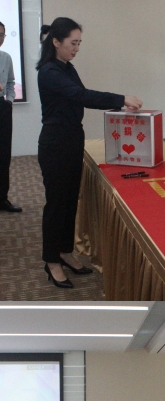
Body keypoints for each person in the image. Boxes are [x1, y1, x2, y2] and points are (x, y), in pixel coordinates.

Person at [37, 17, 141, 289]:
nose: (77, 48)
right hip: (56, 143)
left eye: (79, 43)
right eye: (73, 43)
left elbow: (82, 95)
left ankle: (64, 251)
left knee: (71, 199)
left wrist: (119, 105)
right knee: (56, 203)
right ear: (56, 42)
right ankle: (51, 260)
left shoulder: (66, 68)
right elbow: (81, 96)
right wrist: (121, 99)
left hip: (73, 138)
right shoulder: (49, 72)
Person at [0, 21, 21, 213]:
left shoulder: (6, 57)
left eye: (2, 34)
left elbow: (11, 82)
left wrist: (10, 101)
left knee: (4, 154)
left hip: (2, 107)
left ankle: (2, 198)